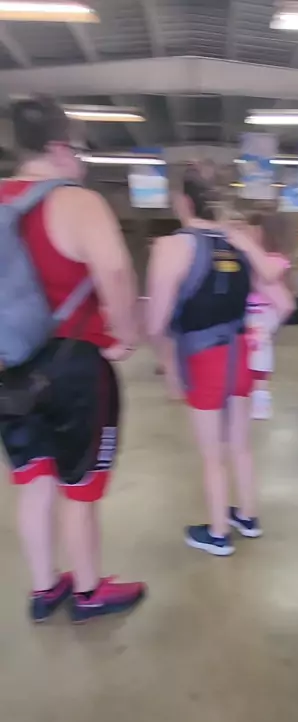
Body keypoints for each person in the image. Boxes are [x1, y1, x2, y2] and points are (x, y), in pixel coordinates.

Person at [0, 96, 146, 622]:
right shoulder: (77, 202)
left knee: (33, 479)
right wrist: (125, 334)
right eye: (79, 150)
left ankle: (45, 589)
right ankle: (88, 591)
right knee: (79, 486)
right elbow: (115, 272)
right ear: (59, 147)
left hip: (9, 369)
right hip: (74, 363)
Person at [147, 166, 293, 556]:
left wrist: (166, 362)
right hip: (241, 354)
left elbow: (156, 323)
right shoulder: (239, 242)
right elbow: (283, 301)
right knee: (240, 445)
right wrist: (261, 335)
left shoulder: (173, 247)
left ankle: (217, 534)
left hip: (203, 360)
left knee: (212, 454)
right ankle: (248, 516)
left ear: (183, 201)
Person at [246, 212, 294, 419]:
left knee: (259, 348)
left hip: (263, 312)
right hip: (250, 311)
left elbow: (267, 274)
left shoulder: (276, 259)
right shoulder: (258, 257)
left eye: (253, 230)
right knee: (254, 350)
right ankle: (256, 395)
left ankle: (261, 397)